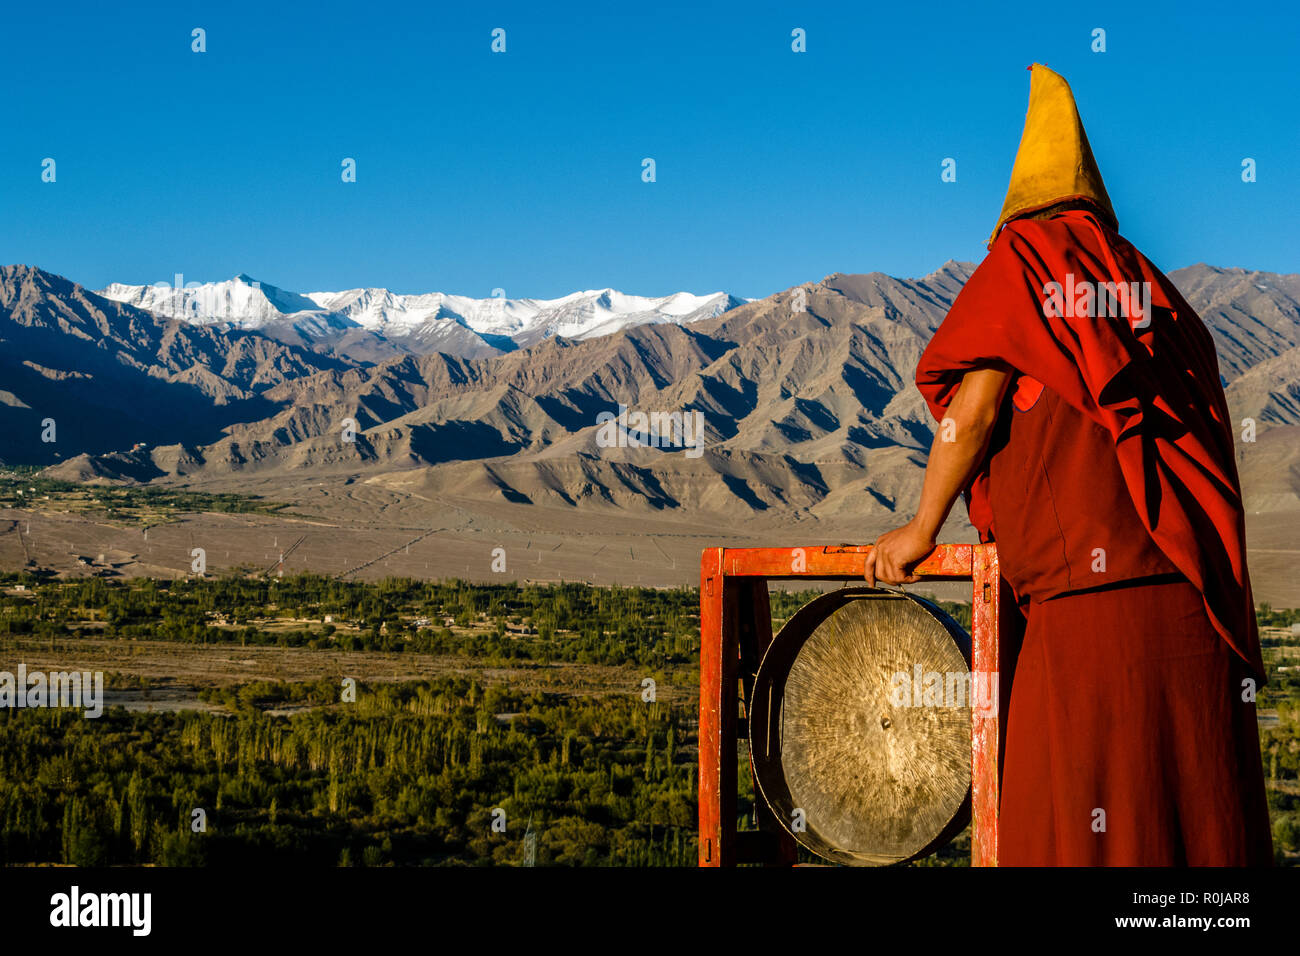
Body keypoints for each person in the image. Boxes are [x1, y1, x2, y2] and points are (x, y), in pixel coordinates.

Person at [864, 63, 1273, 866]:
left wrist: (920, 528)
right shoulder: (1156, 295)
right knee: (1191, 823)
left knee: (1082, 829)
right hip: (1193, 612)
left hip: (1092, 621)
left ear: (1015, 208)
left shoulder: (1028, 264)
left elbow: (973, 413)